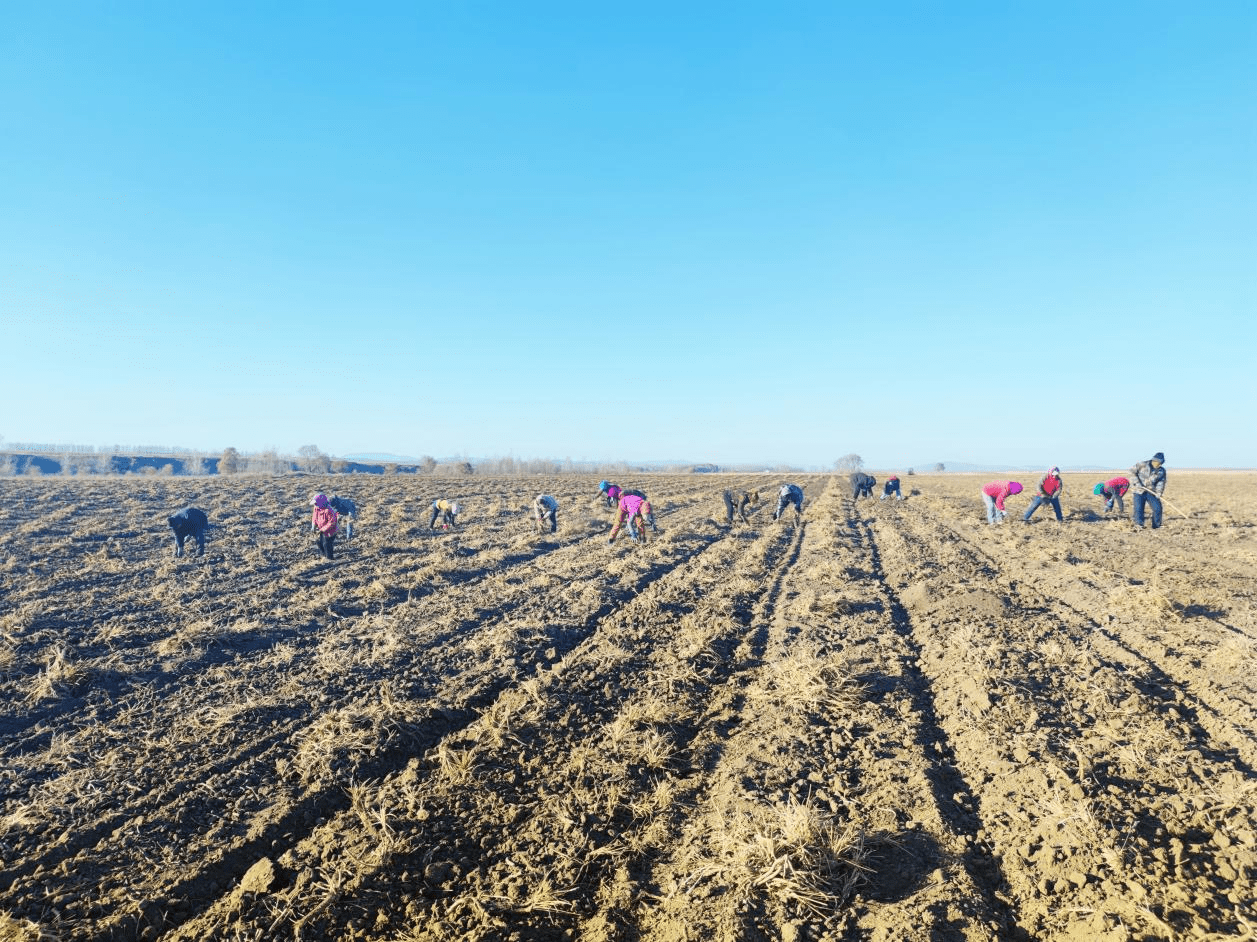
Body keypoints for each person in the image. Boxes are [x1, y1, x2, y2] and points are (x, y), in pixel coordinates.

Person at [1131, 452, 1167, 529]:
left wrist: (1159, 492)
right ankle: (1139, 525)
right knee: (1138, 508)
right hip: (1138, 490)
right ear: (1154, 460)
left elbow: (1161, 482)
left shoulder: (1161, 471)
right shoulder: (1142, 464)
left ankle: (1156, 525)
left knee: (1157, 508)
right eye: (1158, 463)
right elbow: (1132, 472)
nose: (1159, 465)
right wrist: (1137, 483)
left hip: (1151, 491)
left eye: (1161, 463)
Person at [310, 494, 339, 560]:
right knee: (320, 543)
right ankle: (323, 556)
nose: (315, 505)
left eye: (316, 503)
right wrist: (313, 526)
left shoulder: (329, 510)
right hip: (321, 529)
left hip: (331, 531)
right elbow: (314, 517)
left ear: (321, 503)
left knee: (327, 544)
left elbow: (332, 522)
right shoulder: (317, 508)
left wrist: (322, 530)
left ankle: (329, 558)